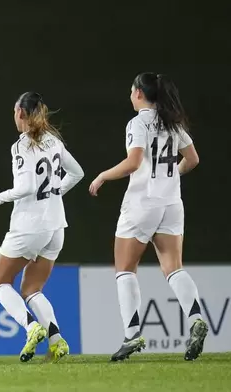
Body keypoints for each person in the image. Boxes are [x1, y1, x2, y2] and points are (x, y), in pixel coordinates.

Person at [89, 72, 207, 361]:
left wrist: (103, 175)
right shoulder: (172, 122)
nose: (130, 95)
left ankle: (131, 336)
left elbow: (133, 162)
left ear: (139, 93)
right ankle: (195, 319)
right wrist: (170, 177)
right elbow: (192, 159)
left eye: (132, 90)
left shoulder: (138, 122)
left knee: (125, 269)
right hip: (171, 203)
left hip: (142, 203)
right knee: (173, 268)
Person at [0, 92, 84, 362]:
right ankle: (57, 341)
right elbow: (78, 173)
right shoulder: (54, 141)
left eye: (14, 111)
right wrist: (55, 193)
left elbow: (25, 187)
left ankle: (31, 326)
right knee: (31, 289)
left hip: (30, 225)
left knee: (0, 282)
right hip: (56, 226)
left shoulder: (22, 146)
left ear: (21, 113)